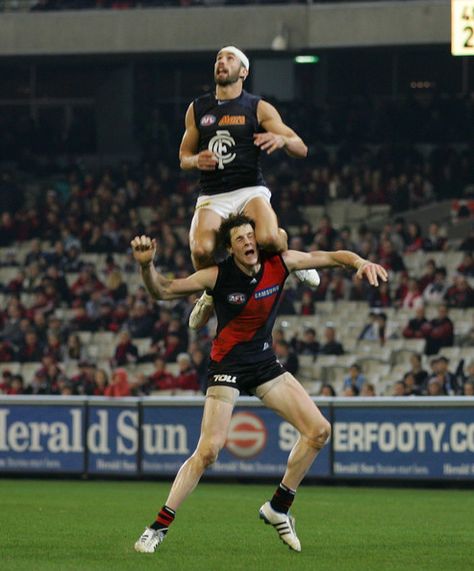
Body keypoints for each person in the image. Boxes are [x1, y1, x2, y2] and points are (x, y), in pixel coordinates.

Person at [130, 214, 387, 554]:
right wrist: (147, 267)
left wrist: (361, 261)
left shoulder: (279, 263)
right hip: (228, 366)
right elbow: (164, 290)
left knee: (319, 431)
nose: (248, 242)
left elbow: (332, 257)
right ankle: (158, 527)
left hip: (264, 364)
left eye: (251, 236)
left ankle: (279, 506)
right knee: (208, 451)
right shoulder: (218, 275)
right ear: (230, 248)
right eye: (240, 239)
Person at [179, 45, 319, 329]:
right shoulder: (197, 108)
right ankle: (209, 294)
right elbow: (183, 157)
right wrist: (196, 160)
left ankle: (292, 257)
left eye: (230, 58)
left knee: (268, 239)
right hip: (213, 193)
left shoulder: (257, 107)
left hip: (248, 189)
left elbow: (301, 148)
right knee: (201, 251)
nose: (222, 62)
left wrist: (281, 141)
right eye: (218, 58)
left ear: (243, 71)